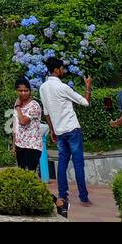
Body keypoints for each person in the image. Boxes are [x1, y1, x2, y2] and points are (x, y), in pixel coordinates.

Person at [40, 57, 92, 215]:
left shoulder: (43, 88)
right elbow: (85, 102)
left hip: (60, 131)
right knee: (78, 163)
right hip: (72, 129)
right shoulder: (63, 87)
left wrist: (52, 130)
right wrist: (88, 86)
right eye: (62, 68)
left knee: (62, 163)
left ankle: (63, 195)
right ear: (56, 70)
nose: (63, 71)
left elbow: (46, 112)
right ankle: (83, 197)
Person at [11, 77, 44, 173]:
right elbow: (15, 125)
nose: (23, 93)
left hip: (32, 145)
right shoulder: (18, 104)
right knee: (21, 173)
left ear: (30, 91)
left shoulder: (34, 106)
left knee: (31, 173)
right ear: (16, 91)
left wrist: (17, 107)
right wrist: (14, 145)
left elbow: (23, 121)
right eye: (20, 90)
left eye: (26, 90)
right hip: (20, 144)